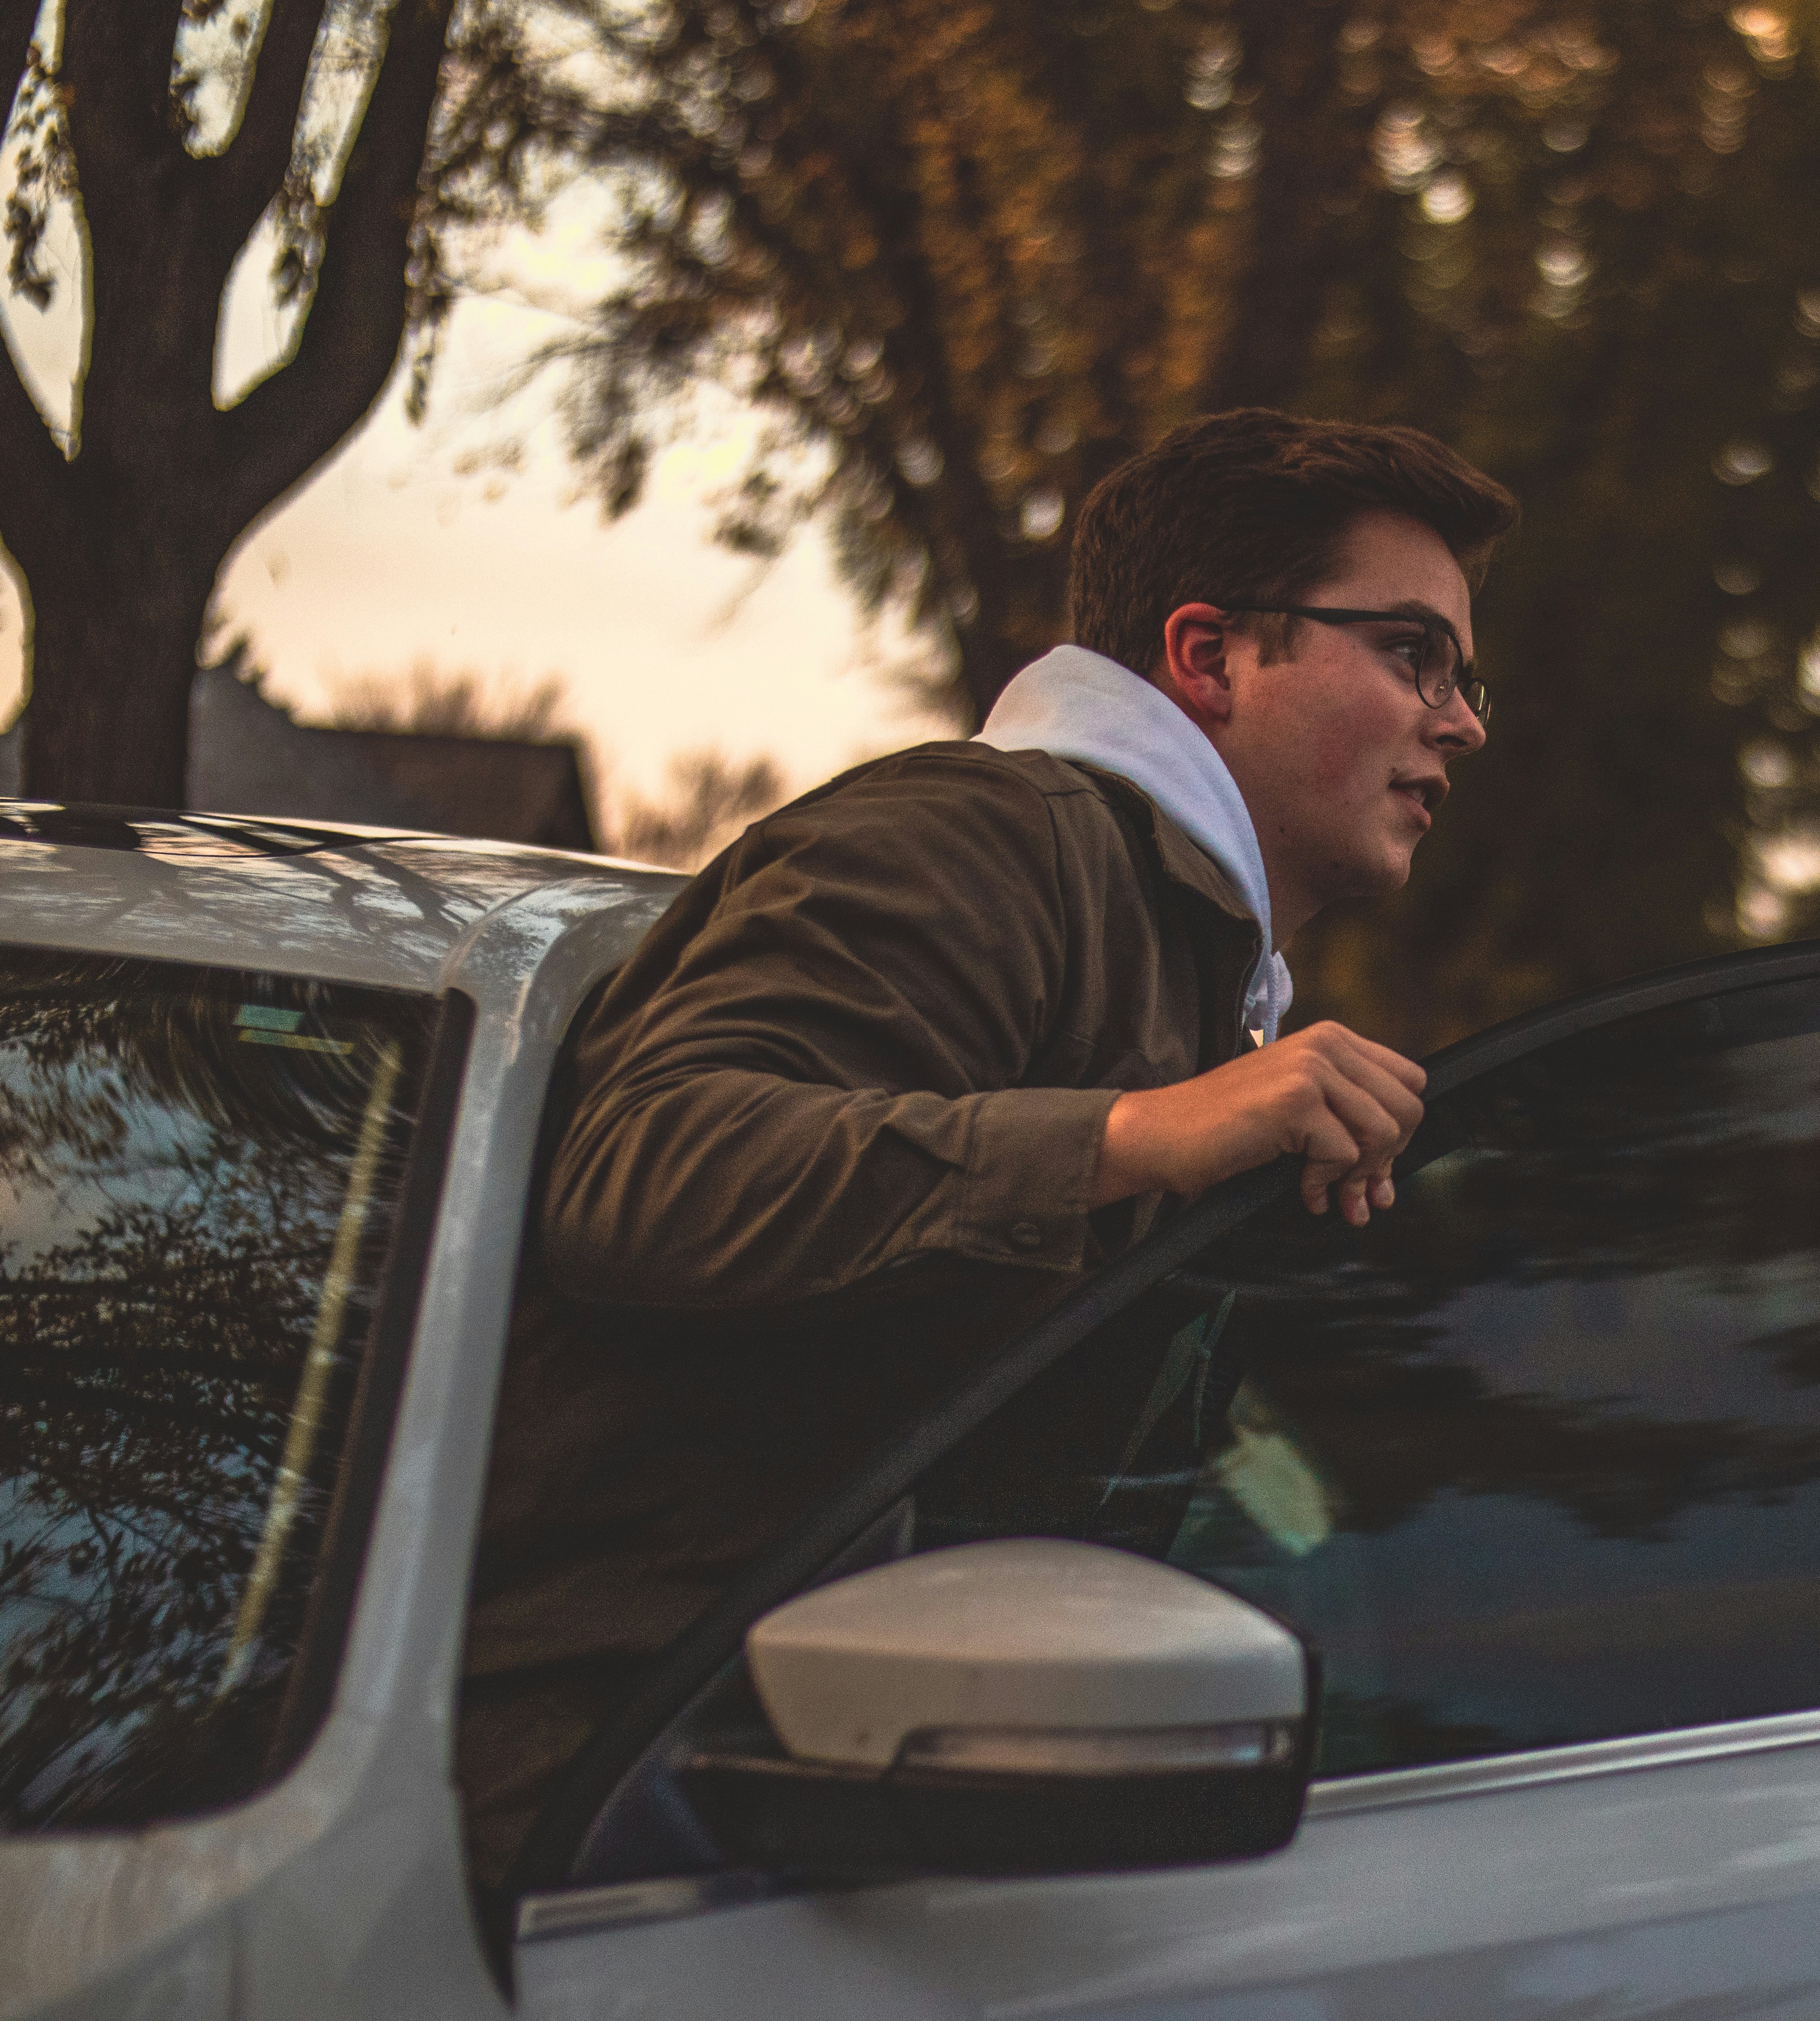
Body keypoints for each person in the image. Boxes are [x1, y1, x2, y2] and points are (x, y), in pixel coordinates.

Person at [455, 409, 1519, 1896]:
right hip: (620, 1817)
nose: (1460, 718)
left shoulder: (1180, 956)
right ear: (1208, 658)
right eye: (1412, 654)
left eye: (1464, 676)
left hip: (837, 1790)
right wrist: (1136, 1136)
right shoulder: (982, 836)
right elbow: (646, 1171)